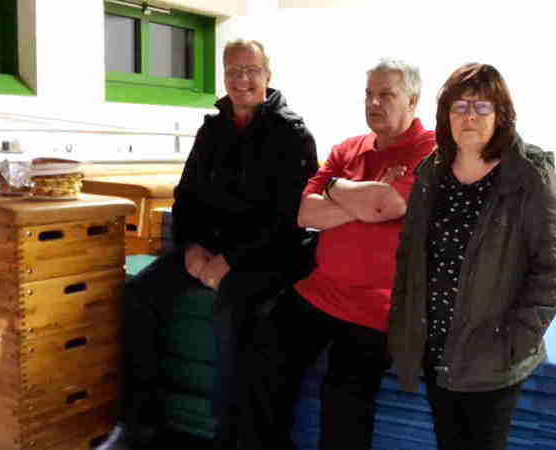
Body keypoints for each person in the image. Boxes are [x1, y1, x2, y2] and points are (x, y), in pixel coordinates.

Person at [122, 39, 318, 450]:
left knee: (233, 307)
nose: (242, 80)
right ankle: (142, 423)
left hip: (266, 255)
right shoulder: (212, 130)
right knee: (139, 293)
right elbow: (186, 197)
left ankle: (229, 436)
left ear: (268, 75)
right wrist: (191, 247)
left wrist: (229, 260)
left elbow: (288, 218)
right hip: (206, 249)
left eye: (251, 71)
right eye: (233, 71)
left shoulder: (291, 133)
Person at [242, 58, 434, 450]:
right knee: (263, 359)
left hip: (380, 304)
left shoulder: (430, 151)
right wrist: (363, 197)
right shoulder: (348, 148)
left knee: (344, 395)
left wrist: (337, 189)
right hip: (321, 290)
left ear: (413, 101)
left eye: (386, 94)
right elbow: (305, 213)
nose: (373, 103)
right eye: (368, 94)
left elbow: (385, 206)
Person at [388, 63, 556, 450]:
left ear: (501, 114)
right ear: (445, 115)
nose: (469, 116)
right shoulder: (431, 172)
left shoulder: (529, 175)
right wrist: (405, 327)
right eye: (459, 106)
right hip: (436, 346)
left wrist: (514, 342)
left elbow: (554, 268)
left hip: (493, 355)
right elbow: (409, 258)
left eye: (482, 106)